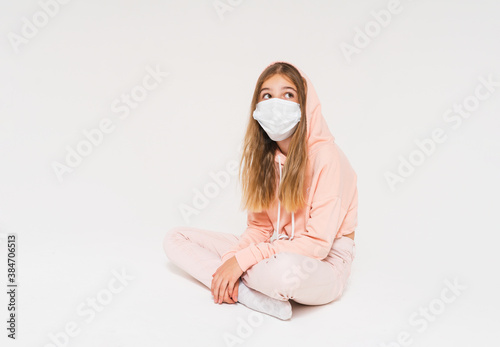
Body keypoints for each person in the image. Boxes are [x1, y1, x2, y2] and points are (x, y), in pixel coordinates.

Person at [163, 60, 358, 320]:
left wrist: (241, 262)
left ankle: (237, 281)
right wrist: (234, 257)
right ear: (257, 107)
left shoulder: (327, 157)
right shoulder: (265, 159)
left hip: (322, 262)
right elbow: (260, 229)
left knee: (283, 273)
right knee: (176, 238)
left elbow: (317, 245)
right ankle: (247, 294)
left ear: (306, 105)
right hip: (278, 247)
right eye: (267, 95)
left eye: (288, 94)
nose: (276, 103)